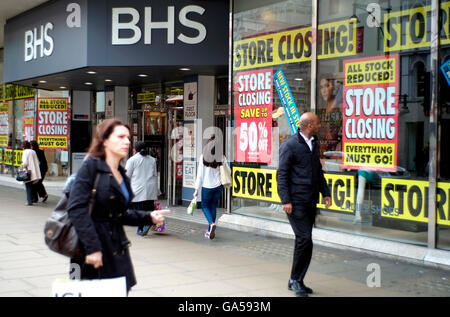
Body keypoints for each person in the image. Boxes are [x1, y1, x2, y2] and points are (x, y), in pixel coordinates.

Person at [67, 118, 170, 294]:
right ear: (105, 140)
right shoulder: (91, 166)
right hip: (91, 251)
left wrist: (148, 217)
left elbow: (118, 214)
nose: (127, 142)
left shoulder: (120, 171)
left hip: (117, 248)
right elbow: (76, 209)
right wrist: (92, 249)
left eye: (128, 138)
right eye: (121, 136)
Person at [277, 112, 332, 297]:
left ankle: (297, 279)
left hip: (310, 200)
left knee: (305, 242)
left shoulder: (313, 144)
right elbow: (282, 175)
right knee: (304, 239)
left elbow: (318, 171)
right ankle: (295, 280)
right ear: (308, 125)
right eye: (317, 123)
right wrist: (285, 200)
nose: (319, 125)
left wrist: (326, 193)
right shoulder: (290, 145)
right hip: (295, 202)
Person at [193, 135, 230, 240]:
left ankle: (211, 224)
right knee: (213, 206)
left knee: (205, 206)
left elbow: (200, 175)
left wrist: (196, 189)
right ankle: (209, 230)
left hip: (207, 186)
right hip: (218, 186)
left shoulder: (203, 157)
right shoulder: (221, 157)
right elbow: (229, 172)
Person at [125, 141, 159, 236]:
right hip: (150, 189)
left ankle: (140, 229)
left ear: (135, 149)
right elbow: (155, 175)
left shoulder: (132, 160)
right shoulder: (152, 160)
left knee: (139, 210)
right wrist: (157, 190)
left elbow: (127, 176)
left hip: (137, 189)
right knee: (148, 208)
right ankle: (148, 222)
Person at [317, 74, 343, 158]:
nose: (324, 91)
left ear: (333, 87)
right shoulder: (321, 109)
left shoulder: (340, 106)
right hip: (323, 149)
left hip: (338, 150)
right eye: (322, 87)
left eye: (327, 86)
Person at [20, 141, 42, 206]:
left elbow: (25, 163)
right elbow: (38, 162)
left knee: (28, 187)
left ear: (23, 146)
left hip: (28, 172)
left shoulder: (25, 152)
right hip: (34, 171)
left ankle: (29, 201)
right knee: (32, 186)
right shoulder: (33, 151)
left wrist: (21, 167)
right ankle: (32, 199)